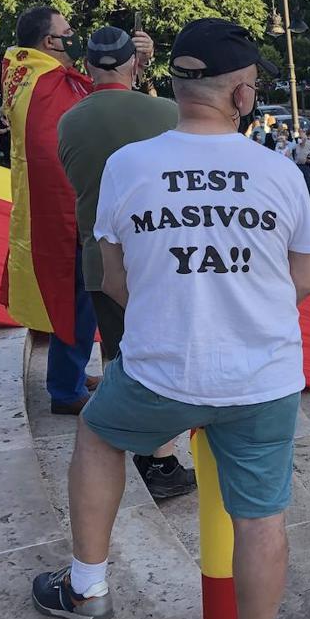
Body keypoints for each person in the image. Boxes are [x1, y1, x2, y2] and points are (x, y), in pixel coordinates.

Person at [31, 17, 310, 619]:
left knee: (98, 437)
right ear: (243, 94)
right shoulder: (279, 173)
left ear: (175, 83)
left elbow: (112, 274)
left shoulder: (129, 165)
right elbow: (303, 282)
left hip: (160, 370)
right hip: (262, 379)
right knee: (260, 518)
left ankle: (87, 587)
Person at [57, 26, 198, 499]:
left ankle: (143, 452)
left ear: (88, 65)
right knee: (164, 359)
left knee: (119, 354)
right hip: (162, 259)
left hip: (100, 262)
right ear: (132, 64)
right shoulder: (165, 111)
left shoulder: (69, 121)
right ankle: (159, 461)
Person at [2, 5, 151, 416]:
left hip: (55, 210)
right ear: (49, 42)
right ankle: (65, 389)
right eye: (66, 31)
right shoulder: (48, 83)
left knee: (80, 302)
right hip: (66, 213)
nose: (73, 36)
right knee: (78, 300)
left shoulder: (28, 74)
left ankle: (69, 375)